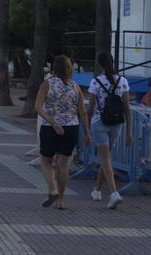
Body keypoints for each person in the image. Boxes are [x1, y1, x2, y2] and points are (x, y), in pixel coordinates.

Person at [35, 56, 90, 210]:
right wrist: (87, 132)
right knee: (63, 164)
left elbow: (38, 107)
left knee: (46, 161)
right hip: (72, 127)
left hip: (50, 127)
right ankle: (61, 200)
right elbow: (82, 112)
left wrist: (53, 122)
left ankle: (52, 189)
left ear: (54, 68)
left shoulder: (48, 84)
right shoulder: (75, 86)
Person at [87, 52, 132, 209]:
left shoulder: (95, 82)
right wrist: (129, 132)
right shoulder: (123, 81)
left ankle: (114, 193)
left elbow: (91, 108)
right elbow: (127, 108)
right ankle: (97, 190)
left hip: (99, 122)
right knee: (106, 157)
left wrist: (86, 128)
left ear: (100, 64)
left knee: (105, 159)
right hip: (117, 123)